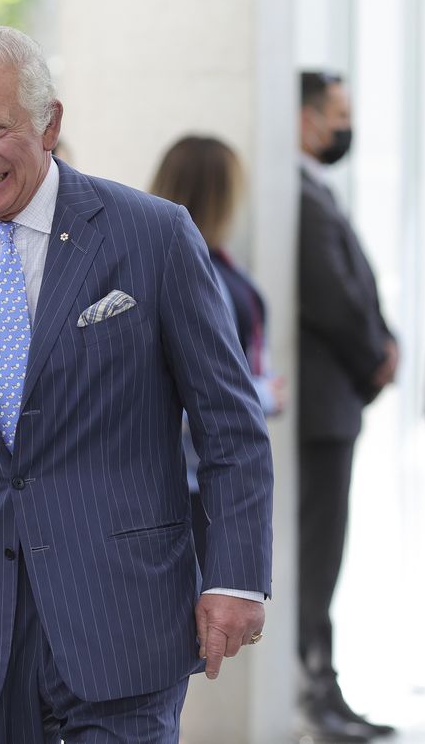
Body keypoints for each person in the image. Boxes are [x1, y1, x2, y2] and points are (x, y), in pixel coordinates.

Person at [0, 26, 274, 743]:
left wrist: (234, 575)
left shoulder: (153, 236)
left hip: (123, 617)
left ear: (50, 122)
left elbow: (230, 427)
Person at [298, 70, 397, 741]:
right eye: (337, 113)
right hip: (321, 404)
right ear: (304, 116)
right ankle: (314, 690)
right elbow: (332, 293)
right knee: (316, 553)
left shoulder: (312, 188)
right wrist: (375, 353)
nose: (344, 127)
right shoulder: (299, 195)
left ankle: (323, 685)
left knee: (323, 553)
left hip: (334, 403)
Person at [149, 134, 285, 568]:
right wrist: (262, 396)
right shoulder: (189, 277)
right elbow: (179, 396)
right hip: (187, 490)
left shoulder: (218, 266)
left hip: (206, 483)